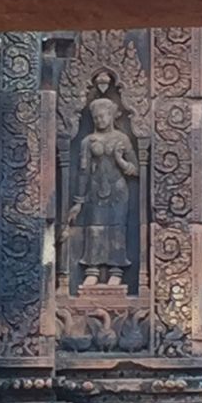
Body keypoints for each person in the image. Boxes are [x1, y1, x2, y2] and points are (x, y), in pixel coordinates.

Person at [66, 97, 137, 286]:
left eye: (103, 116)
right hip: (95, 190)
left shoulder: (122, 139)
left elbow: (136, 169)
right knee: (95, 229)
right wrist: (78, 201)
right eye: (96, 118)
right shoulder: (87, 141)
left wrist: (120, 160)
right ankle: (93, 269)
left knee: (117, 229)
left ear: (111, 116)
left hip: (118, 189)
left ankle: (116, 269)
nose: (99, 120)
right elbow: (83, 172)